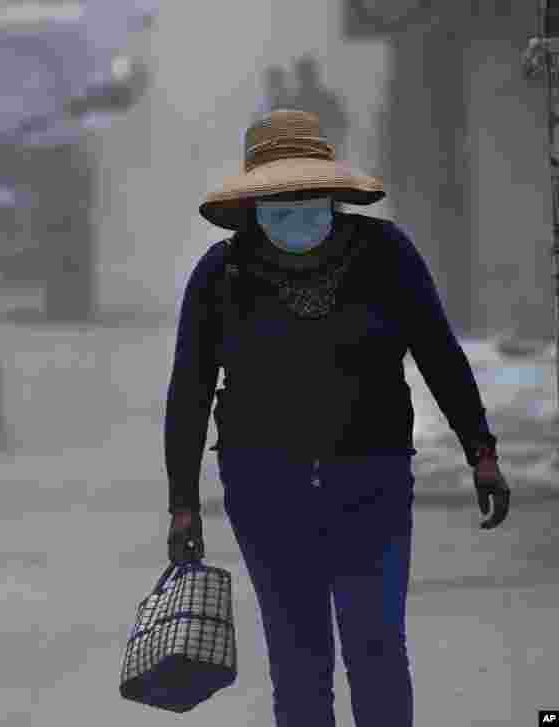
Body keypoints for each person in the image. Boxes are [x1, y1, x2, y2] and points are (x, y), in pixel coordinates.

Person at [163, 109, 511, 727]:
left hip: (371, 481)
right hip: (265, 489)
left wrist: (480, 451)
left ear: (332, 194)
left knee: (376, 647)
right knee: (299, 661)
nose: (296, 210)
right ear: (254, 204)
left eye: (307, 197)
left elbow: (438, 354)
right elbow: (189, 391)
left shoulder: (386, 256)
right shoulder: (220, 275)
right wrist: (183, 503)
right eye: (280, 201)